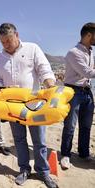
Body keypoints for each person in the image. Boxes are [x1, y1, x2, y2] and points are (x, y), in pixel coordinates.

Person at [0, 23, 58, 188]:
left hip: (35, 104)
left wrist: (50, 84)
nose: (6, 45)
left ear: (17, 35)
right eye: (2, 42)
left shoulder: (32, 48)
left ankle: (43, 171)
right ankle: (24, 169)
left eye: (8, 40)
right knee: (19, 139)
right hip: (12, 106)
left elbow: (44, 69)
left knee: (39, 140)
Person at [60, 22, 95, 169]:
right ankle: (65, 155)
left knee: (86, 126)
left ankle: (83, 153)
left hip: (87, 92)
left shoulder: (91, 51)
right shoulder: (74, 52)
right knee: (70, 126)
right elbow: (87, 72)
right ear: (88, 35)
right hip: (73, 92)